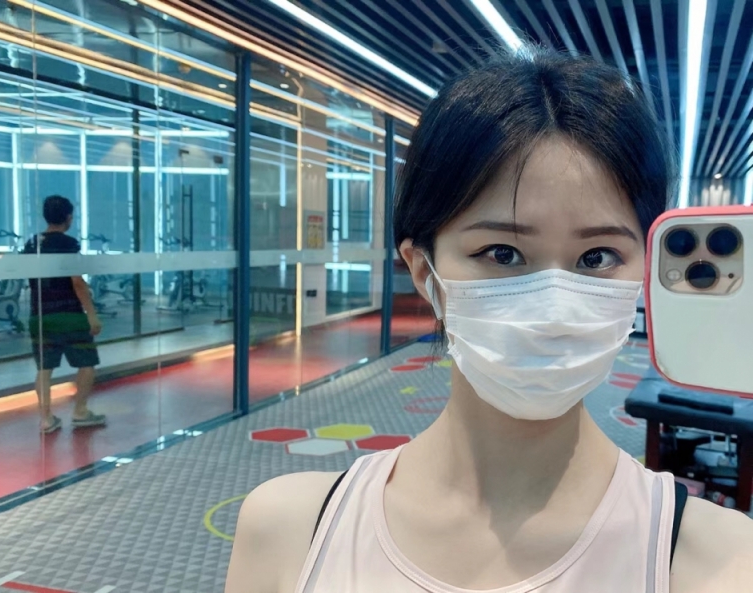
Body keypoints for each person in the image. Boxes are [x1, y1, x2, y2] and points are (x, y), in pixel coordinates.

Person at [225, 48, 753, 592]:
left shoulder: (719, 563)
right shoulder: (289, 532)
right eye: (503, 253)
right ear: (424, 271)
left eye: (596, 257)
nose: (553, 305)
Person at [23, 195, 106, 434]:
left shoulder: (32, 243)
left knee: (44, 369)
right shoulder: (68, 244)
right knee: (87, 363)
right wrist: (91, 314)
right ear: (68, 217)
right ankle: (80, 411)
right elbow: (77, 282)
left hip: (40, 315)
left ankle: (46, 419)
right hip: (69, 315)